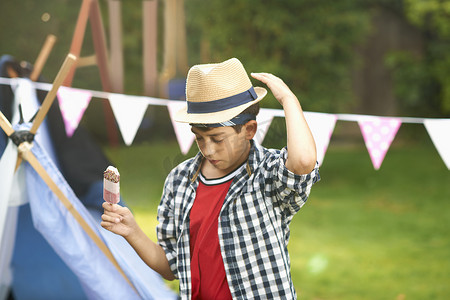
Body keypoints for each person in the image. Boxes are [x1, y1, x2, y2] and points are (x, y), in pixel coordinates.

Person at [101, 58, 320, 299]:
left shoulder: (267, 174)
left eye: (217, 139)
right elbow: (171, 266)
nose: (208, 149)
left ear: (249, 130)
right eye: (199, 138)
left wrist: (289, 100)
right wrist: (132, 231)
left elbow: (302, 162)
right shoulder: (179, 180)